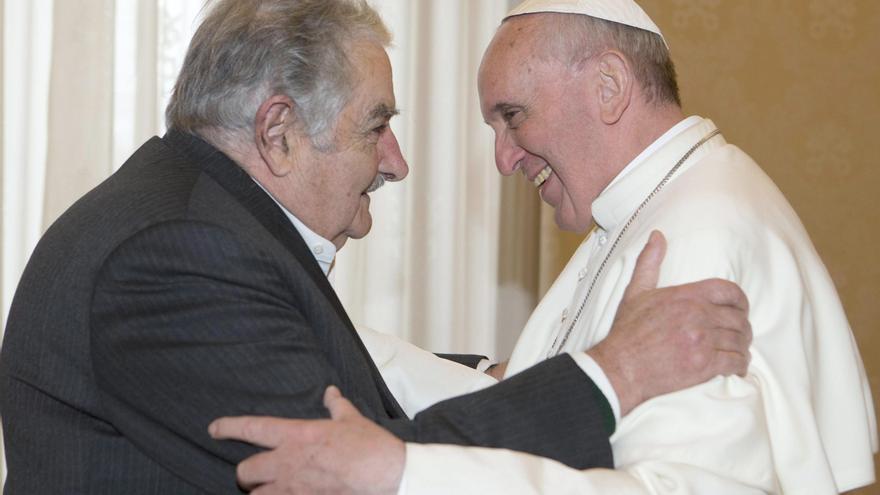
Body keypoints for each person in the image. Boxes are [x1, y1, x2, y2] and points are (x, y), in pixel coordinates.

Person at [0, 1, 753, 493]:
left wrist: (492, 377)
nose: (396, 162)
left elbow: (328, 373)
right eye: (375, 125)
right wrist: (613, 374)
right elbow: (352, 468)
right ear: (279, 132)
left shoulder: (197, 218)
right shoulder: (176, 253)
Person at [210, 0, 878, 493]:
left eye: (512, 116)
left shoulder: (694, 235)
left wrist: (402, 473)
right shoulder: (650, 205)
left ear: (608, 87)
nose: (503, 159)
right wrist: (319, 327)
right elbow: (536, 391)